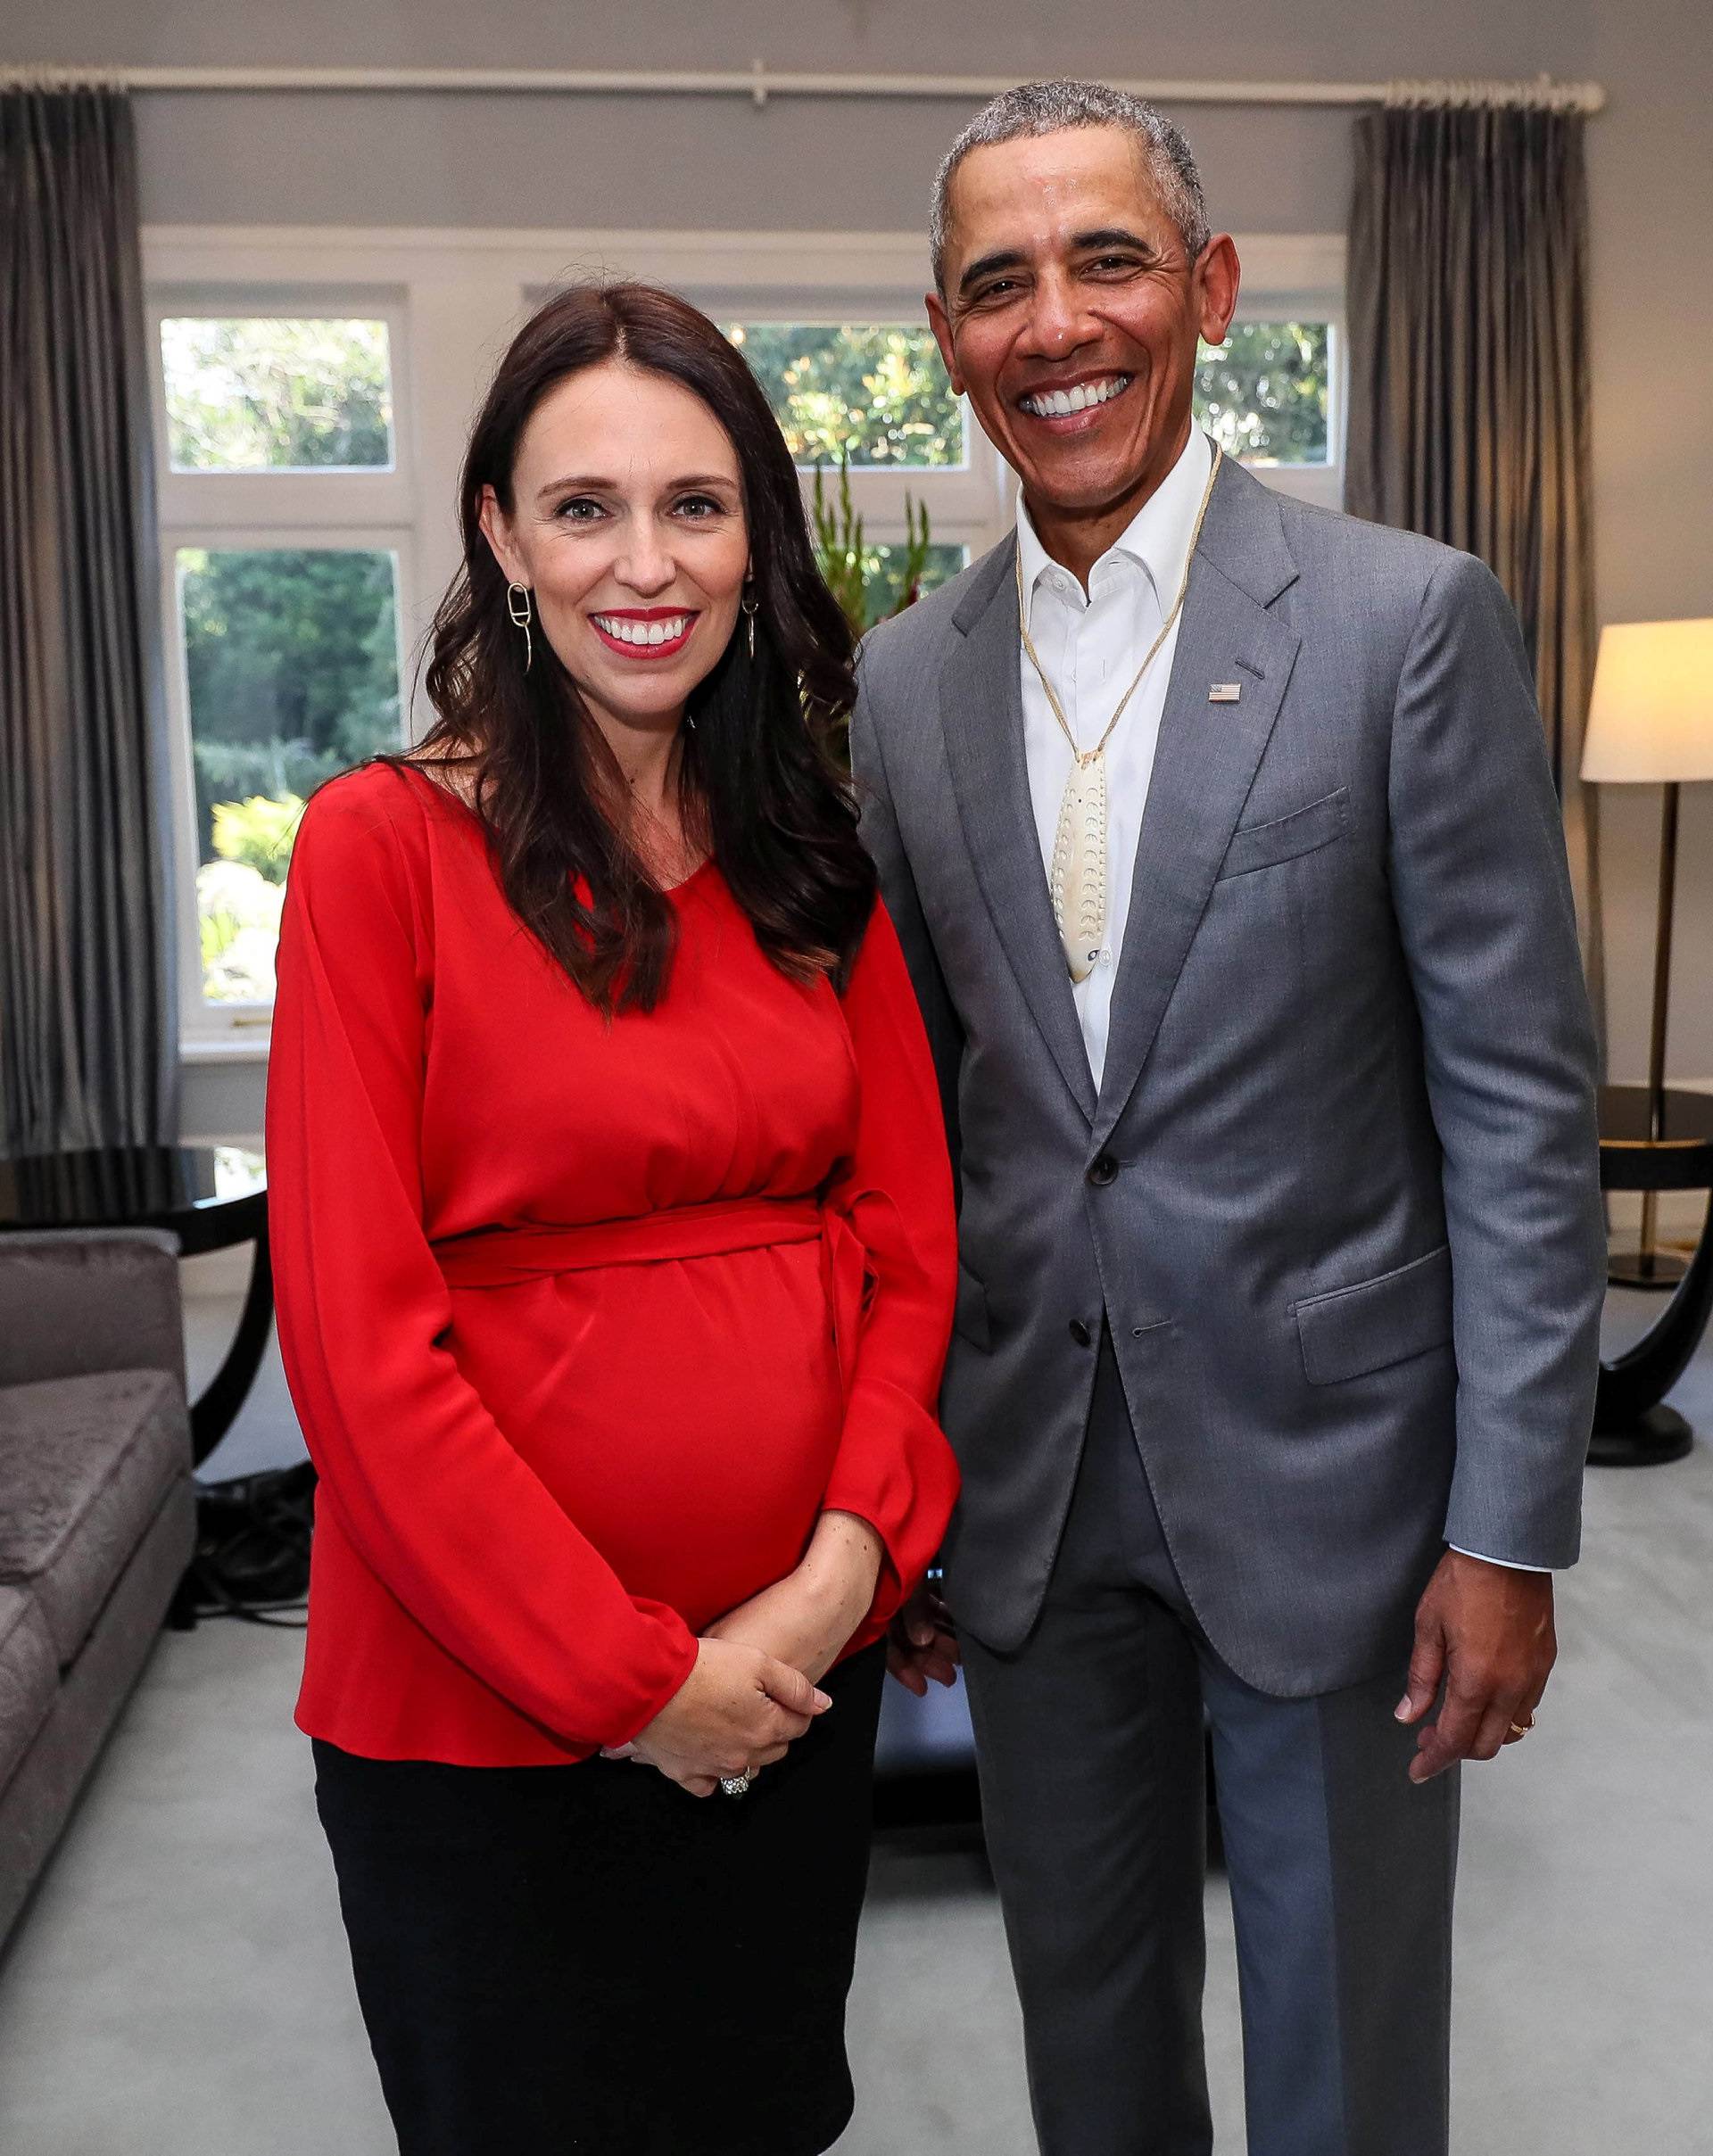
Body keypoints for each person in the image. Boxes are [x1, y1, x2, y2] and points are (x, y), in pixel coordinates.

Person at [861, 80, 1605, 2156]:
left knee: (1345, 2059)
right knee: (1085, 2041)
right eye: (998, 282)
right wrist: (908, 1463)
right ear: (944, 332)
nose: (1056, 323)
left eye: (1104, 261)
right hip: (1026, 1489)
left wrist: (1506, 1523)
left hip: (1342, 1491)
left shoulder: (1402, 623)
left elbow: (1520, 1115)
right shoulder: (904, 687)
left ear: (1206, 289)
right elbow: (923, 1117)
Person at [265, 280, 960, 2156]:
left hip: (790, 1698)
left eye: (695, 505)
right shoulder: (376, 854)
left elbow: (912, 1247)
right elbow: (355, 1348)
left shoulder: (817, 857)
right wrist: (641, 1683)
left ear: (756, 540)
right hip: (479, 1739)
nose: (642, 563)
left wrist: (841, 1574)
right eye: (584, 507)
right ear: (498, 533)